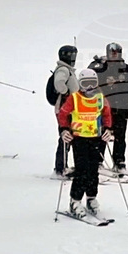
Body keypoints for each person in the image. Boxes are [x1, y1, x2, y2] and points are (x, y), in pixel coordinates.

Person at [57, 68, 113, 218]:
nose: (89, 87)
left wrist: (108, 129)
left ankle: (91, 197)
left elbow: (106, 114)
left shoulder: (100, 98)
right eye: (85, 84)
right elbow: (63, 114)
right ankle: (75, 201)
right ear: (80, 84)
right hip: (79, 139)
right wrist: (64, 130)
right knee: (81, 170)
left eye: (92, 83)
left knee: (93, 170)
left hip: (96, 138)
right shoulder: (74, 98)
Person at [88, 42, 128, 174]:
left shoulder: (127, 69)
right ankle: (98, 160)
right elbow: (93, 86)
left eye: (116, 52)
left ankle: (119, 162)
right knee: (102, 135)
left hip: (121, 108)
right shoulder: (100, 68)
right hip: (105, 108)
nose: (114, 55)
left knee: (120, 137)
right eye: (112, 52)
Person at [50, 45, 79, 177]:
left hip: (69, 107)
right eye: (72, 55)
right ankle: (60, 168)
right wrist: (66, 92)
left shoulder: (67, 69)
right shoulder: (63, 69)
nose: (74, 58)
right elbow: (59, 82)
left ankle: (62, 166)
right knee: (66, 135)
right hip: (65, 108)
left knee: (69, 135)